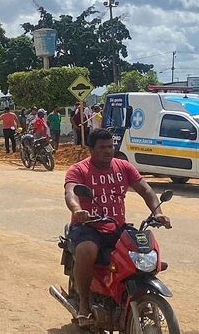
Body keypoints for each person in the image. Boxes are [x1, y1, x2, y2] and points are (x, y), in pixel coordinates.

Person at [64, 128, 172, 327]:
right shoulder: (79, 170)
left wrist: (157, 213)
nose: (108, 151)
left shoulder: (123, 167)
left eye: (110, 146)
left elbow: (145, 189)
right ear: (91, 149)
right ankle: (85, 307)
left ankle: (138, 296)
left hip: (116, 226)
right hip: (88, 226)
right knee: (87, 251)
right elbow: (71, 193)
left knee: (143, 252)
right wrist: (78, 209)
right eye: (102, 147)